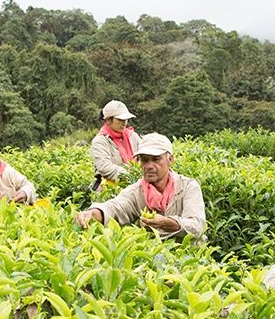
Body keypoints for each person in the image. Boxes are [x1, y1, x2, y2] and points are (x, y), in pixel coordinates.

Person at [74, 133, 206, 241]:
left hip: (189, 253)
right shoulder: (136, 191)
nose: (149, 166)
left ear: (170, 160)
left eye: (156, 159)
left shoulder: (188, 186)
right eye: (144, 160)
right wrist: (91, 214)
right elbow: (115, 207)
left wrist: (166, 223)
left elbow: (196, 225)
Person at [89, 100, 142, 190]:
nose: (124, 123)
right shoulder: (100, 141)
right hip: (108, 189)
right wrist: (129, 176)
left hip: (133, 186)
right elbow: (104, 166)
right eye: (120, 119)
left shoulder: (133, 136)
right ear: (108, 120)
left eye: (125, 119)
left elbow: (145, 153)